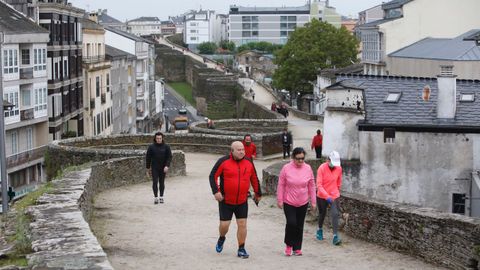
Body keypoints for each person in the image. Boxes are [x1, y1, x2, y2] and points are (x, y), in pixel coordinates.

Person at [209, 141, 262, 259]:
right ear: (232, 151)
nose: (242, 151)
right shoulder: (223, 161)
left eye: (243, 149)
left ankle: (241, 248)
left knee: (242, 224)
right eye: (239, 150)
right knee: (224, 226)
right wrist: (216, 191)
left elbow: (254, 177)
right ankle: (222, 238)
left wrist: (258, 193)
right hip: (226, 201)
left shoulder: (249, 161)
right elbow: (213, 176)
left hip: (242, 200)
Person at [277, 147, 316, 256]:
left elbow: (312, 185)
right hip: (289, 201)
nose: (300, 161)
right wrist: (280, 199)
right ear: (293, 157)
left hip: (303, 202)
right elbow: (281, 184)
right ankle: (289, 245)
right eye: (298, 158)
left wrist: (313, 201)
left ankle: (297, 248)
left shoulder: (308, 168)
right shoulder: (286, 168)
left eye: (302, 158)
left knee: (299, 225)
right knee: (291, 223)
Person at [316, 150, 343, 245]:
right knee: (322, 213)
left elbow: (339, 182)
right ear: (328, 160)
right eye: (332, 162)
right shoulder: (321, 168)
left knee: (335, 214)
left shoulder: (339, 169)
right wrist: (326, 196)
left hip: (334, 195)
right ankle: (319, 229)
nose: (334, 165)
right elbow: (319, 185)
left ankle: (335, 236)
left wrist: (337, 192)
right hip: (322, 195)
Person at [146, 132, 173, 204]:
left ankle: (161, 197)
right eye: (157, 138)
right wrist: (148, 168)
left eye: (160, 138)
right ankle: (155, 197)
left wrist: (167, 166)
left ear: (162, 138)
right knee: (155, 182)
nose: (159, 140)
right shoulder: (151, 147)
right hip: (154, 167)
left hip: (163, 167)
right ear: (155, 138)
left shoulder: (166, 147)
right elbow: (148, 158)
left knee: (162, 182)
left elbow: (169, 157)